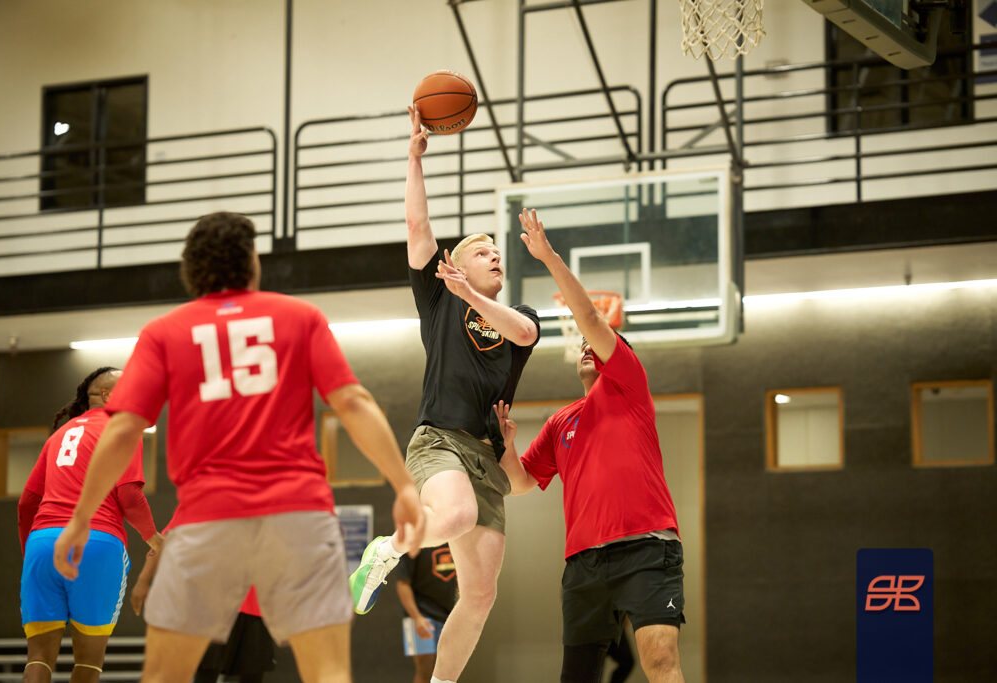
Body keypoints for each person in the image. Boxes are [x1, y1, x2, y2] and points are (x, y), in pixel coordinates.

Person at [51, 211, 424, 683]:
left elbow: (123, 429)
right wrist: (403, 486)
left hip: (207, 520)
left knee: (166, 676)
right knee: (328, 673)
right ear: (251, 260)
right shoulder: (299, 317)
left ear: (191, 268)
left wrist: (81, 518)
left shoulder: (164, 332)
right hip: (300, 516)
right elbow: (353, 402)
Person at [348, 106, 540, 683]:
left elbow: (523, 334)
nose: (495, 256)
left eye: (497, 253)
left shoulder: (518, 314)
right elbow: (417, 227)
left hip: (486, 457)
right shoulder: (438, 298)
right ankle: (386, 550)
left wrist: (473, 295)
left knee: (480, 596)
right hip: (440, 441)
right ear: (453, 265)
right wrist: (414, 158)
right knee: (454, 515)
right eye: (482, 252)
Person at [495, 208, 686, 683]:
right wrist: (506, 445)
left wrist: (549, 258)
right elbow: (519, 483)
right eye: (583, 344)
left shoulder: (628, 385)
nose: (587, 346)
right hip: (584, 563)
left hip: (647, 548)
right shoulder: (561, 421)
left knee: (660, 662)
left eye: (597, 343)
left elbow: (590, 319)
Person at [17, 367, 161, 683]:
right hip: (96, 543)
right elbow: (128, 494)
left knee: (38, 658)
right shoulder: (123, 429)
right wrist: (154, 538)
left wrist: (32, 552)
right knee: (89, 662)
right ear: (107, 395)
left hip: (42, 544)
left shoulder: (58, 436)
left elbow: (27, 503)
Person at [131, 516, 275, 683]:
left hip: (256, 604)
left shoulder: (268, 509)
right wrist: (143, 581)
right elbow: (166, 539)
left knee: (253, 673)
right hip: (214, 605)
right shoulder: (207, 503)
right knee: (207, 672)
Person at [395, 544, 458, 683]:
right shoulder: (416, 543)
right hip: (421, 615)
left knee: (447, 673)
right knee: (425, 670)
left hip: (448, 616)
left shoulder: (455, 542)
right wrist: (416, 618)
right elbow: (402, 584)